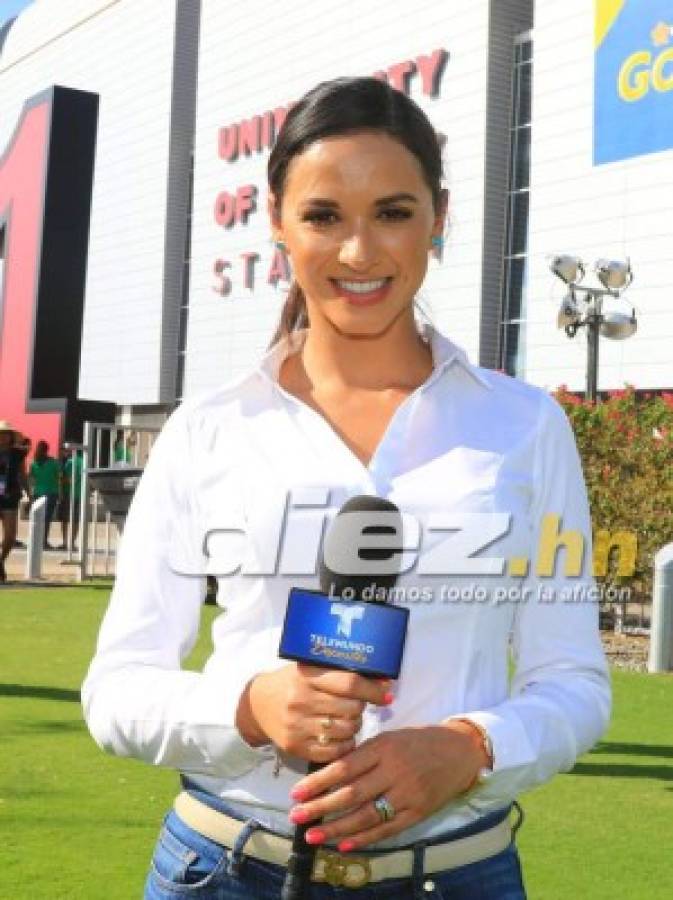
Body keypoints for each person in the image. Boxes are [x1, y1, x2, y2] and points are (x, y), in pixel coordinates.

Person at [82, 77, 611, 899]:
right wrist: (251, 708)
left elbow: (573, 682)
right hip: (224, 871)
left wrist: (472, 745)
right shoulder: (209, 429)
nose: (359, 252)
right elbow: (116, 690)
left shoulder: (524, 427)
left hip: (455, 873)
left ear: (437, 216)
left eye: (393, 212)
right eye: (323, 216)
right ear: (276, 224)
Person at [0, 421, 29, 582]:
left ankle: (1, 561)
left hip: (10, 496)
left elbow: (22, 474)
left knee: (10, 537)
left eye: (6, 433)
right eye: (1, 433)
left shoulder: (18, 454)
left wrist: (29, 493)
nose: (3, 437)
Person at [28, 440, 61, 550]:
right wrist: (61, 493)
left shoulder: (33, 463)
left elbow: (31, 479)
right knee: (47, 519)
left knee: (37, 518)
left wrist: (31, 494)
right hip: (51, 493)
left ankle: (35, 540)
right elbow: (59, 477)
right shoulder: (53, 463)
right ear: (47, 450)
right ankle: (44, 541)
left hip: (38, 493)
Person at [59, 445, 83, 550]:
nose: (63, 452)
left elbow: (70, 480)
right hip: (80, 493)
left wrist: (60, 479)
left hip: (68, 492)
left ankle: (65, 542)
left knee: (65, 519)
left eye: (64, 450)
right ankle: (73, 543)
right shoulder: (82, 461)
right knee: (76, 519)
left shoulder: (69, 462)